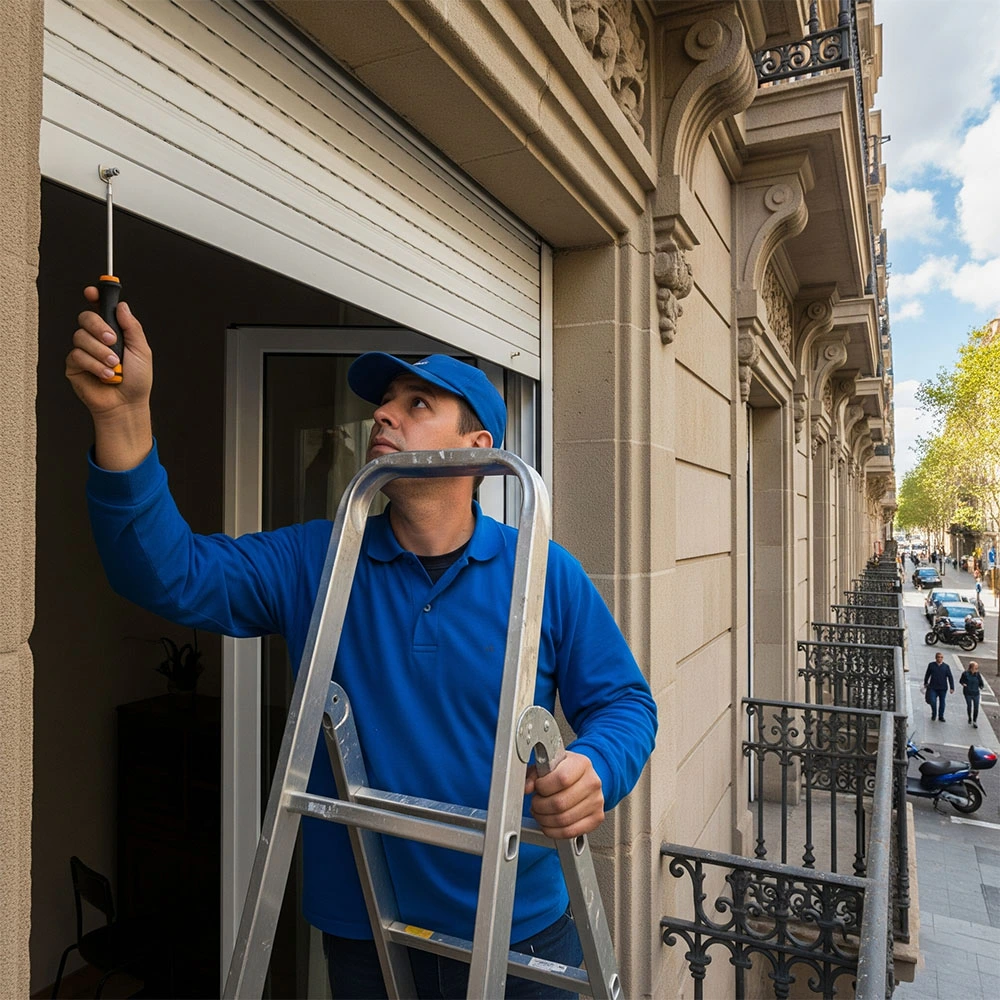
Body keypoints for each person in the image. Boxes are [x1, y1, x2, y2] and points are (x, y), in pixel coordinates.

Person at [67, 289, 658, 1000]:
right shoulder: (321, 558)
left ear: (479, 451)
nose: (382, 412)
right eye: (385, 401)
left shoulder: (542, 569)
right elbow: (169, 574)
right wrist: (123, 419)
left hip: (519, 928)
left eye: (417, 404)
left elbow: (626, 703)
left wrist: (597, 767)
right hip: (369, 937)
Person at [923, 652, 955, 723]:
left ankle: (941, 716)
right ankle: (934, 713)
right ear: (936, 658)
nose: (940, 658)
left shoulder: (946, 667)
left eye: (941, 657)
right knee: (933, 701)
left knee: (942, 702)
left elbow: (950, 677)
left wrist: (952, 687)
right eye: (938, 657)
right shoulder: (931, 665)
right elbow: (927, 674)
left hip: (943, 688)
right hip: (933, 687)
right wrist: (925, 682)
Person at [959, 661, 986, 728]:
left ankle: (974, 721)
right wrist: (963, 684)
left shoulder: (978, 674)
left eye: (977, 668)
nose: (976, 669)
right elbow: (961, 681)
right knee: (969, 706)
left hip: (976, 693)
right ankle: (969, 717)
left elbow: (981, 682)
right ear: (971, 668)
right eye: (975, 668)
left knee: (976, 707)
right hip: (968, 693)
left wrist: (981, 686)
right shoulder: (965, 674)